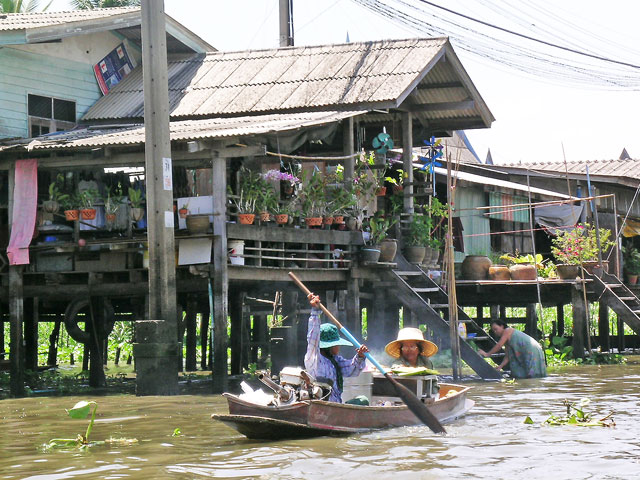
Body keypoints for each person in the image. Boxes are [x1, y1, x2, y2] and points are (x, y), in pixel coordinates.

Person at [304, 293, 369, 403]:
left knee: (363, 401)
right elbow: (313, 339)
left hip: (336, 405)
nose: (338, 347)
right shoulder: (315, 359)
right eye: (336, 344)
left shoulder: (335, 361)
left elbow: (351, 370)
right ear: (328, 346)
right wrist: (315, 312)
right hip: (321, 404)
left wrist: (360, 356)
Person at [478, 319, 547, 378]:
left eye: (496, 329)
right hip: (531, 350)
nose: (495, 332)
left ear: (502, 326)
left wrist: (487, 354)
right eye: (493, 331)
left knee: (533, 375)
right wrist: (500, 366)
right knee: (528, 375)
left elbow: (499, 346)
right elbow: (507, 356)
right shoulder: (507, 338)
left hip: (531, 350)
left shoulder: (507, 331)